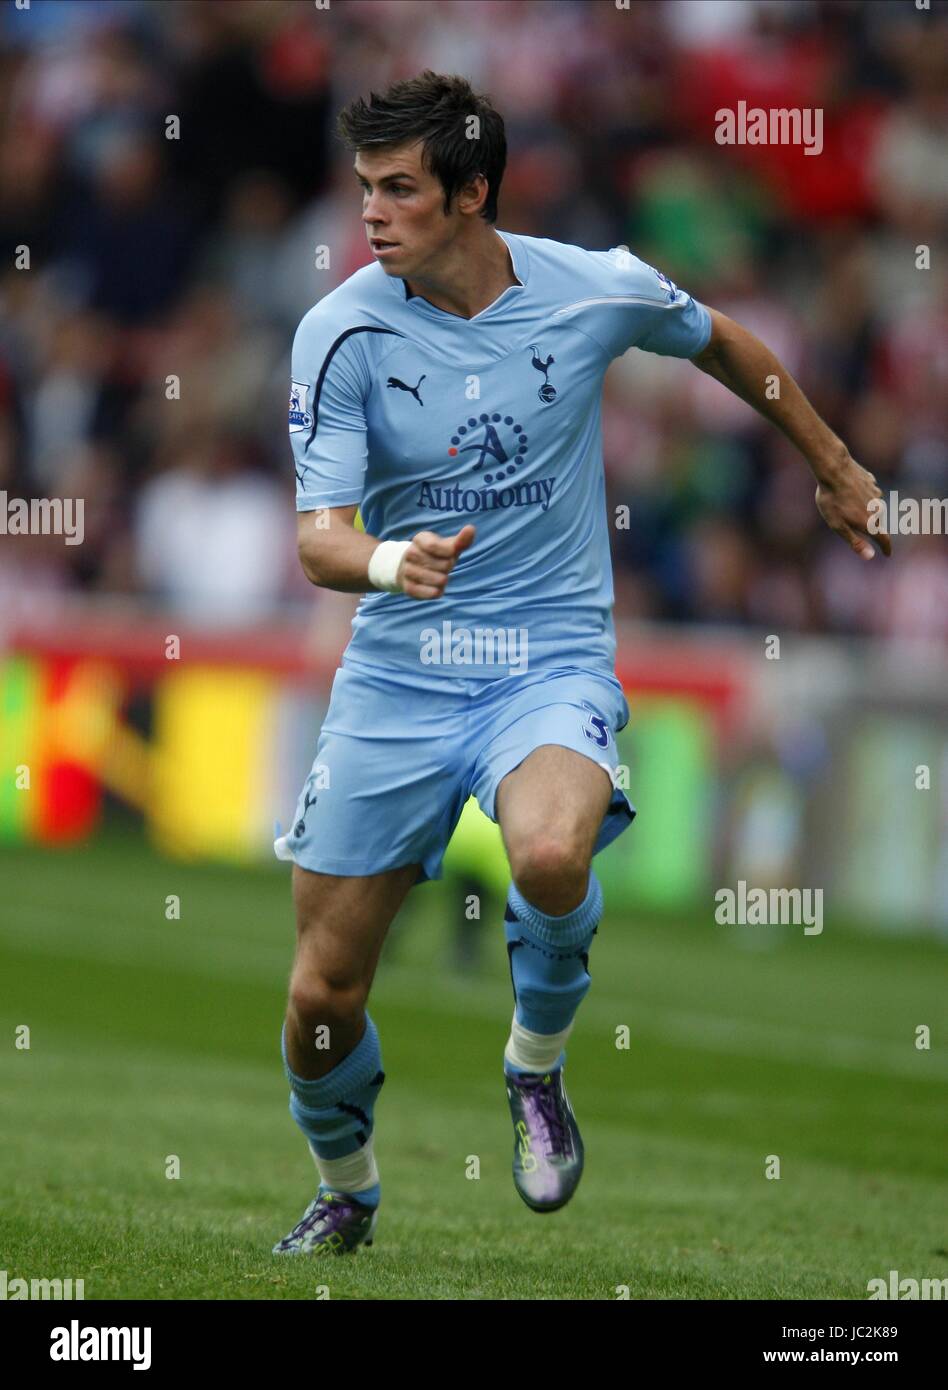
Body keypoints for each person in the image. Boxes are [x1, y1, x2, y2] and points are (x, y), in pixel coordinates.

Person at [271, 70, 890, 1255]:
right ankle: (346, 1185)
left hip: (543, 655)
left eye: (400, 189)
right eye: (364, 188)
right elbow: (316, 537)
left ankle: (535, 1067)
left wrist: (832, 462)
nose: (372, 213)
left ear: (472, 193)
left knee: (551, 851)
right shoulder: (339, 328)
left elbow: (723, 344)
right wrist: (390, 560)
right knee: (320, 995)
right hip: (399, 667)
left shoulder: (590, 286)